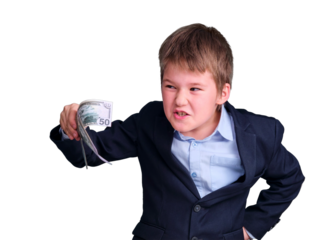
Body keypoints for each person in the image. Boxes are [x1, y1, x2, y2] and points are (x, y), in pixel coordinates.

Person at [50, 22, 305, 240]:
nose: (180, 100)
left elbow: (291, 179)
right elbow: (92, 154)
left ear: (222, 93)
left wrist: (252, 228)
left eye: (194, 89)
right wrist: (71, 130)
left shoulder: (259, 134)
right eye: (171, 86)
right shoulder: (150, 120)